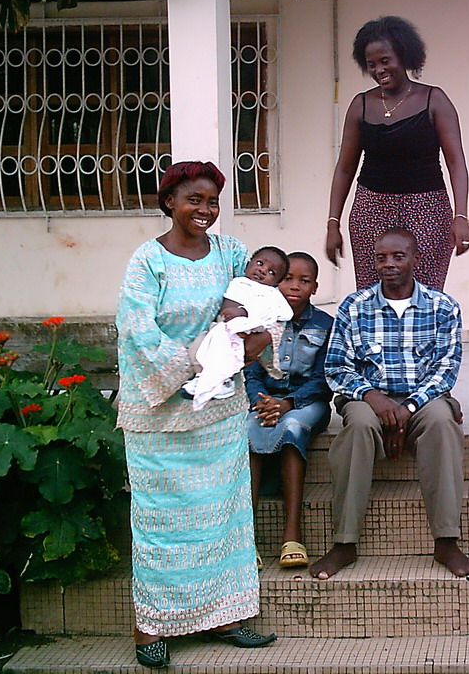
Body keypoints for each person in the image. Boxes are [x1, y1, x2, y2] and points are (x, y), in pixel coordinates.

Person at [116, 161, 276, 669]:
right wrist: (186, 371)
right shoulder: (148, 260)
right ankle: (151, 628)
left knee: (223, 516)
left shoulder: (231, 252)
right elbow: (137, 327)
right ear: (169, 202)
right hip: (159, 411)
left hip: (219, 409)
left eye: (212, 202)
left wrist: (256, 339)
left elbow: (254, 302)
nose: (204, 210)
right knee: (162, 525)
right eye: (194, 200)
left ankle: (225, 615)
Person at [310, 228, 469, 579]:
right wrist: (375, 398)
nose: (389, 264)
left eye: (398, 256)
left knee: (442, 423)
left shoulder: (442, 307)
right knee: (357, 425)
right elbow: (337, 367)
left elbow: (446, 369)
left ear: (415, 259)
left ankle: (446, 541)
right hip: (368, 398)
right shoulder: (354, 307)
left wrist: (408, 408)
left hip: (422, 398)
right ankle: (344, 543)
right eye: (381, 257)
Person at [324, 15, 469, 291]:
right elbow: (345, 168)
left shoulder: (434, 100)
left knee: (425, 294)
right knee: (372, 295)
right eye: (371, 64)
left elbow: (456, 162)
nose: (379, 69)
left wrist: (460, 216)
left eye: (385, 60)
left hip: (427, 209)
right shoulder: (361, 105)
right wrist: (333, 223)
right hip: (371, 210)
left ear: (404, 56)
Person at [246, 252, 334, 570]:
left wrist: (287, 404)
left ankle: (292, 532)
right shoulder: (260, 320)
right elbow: (252, 369)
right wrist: (261, 401)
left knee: (292, 427)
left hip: (308, 403)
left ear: (315, 287)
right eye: (287, 278)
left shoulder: (325, 325)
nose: (294, 286)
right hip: (265, 402)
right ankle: (245, 538)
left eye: (304, 280)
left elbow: (325, 379)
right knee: (250, 430)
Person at [182, 246, 292, 410]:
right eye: (260, 263)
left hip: (248, 330)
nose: (262, 271)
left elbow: (285, 314)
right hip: (223, 326)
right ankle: (202, 377)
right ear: (249, 264)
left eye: (271, 273)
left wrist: (245, 312)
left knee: (227, 351)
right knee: (199, 346)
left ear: (277, 282)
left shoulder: (272, 294)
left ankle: (225, 381)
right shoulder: (238, 282)